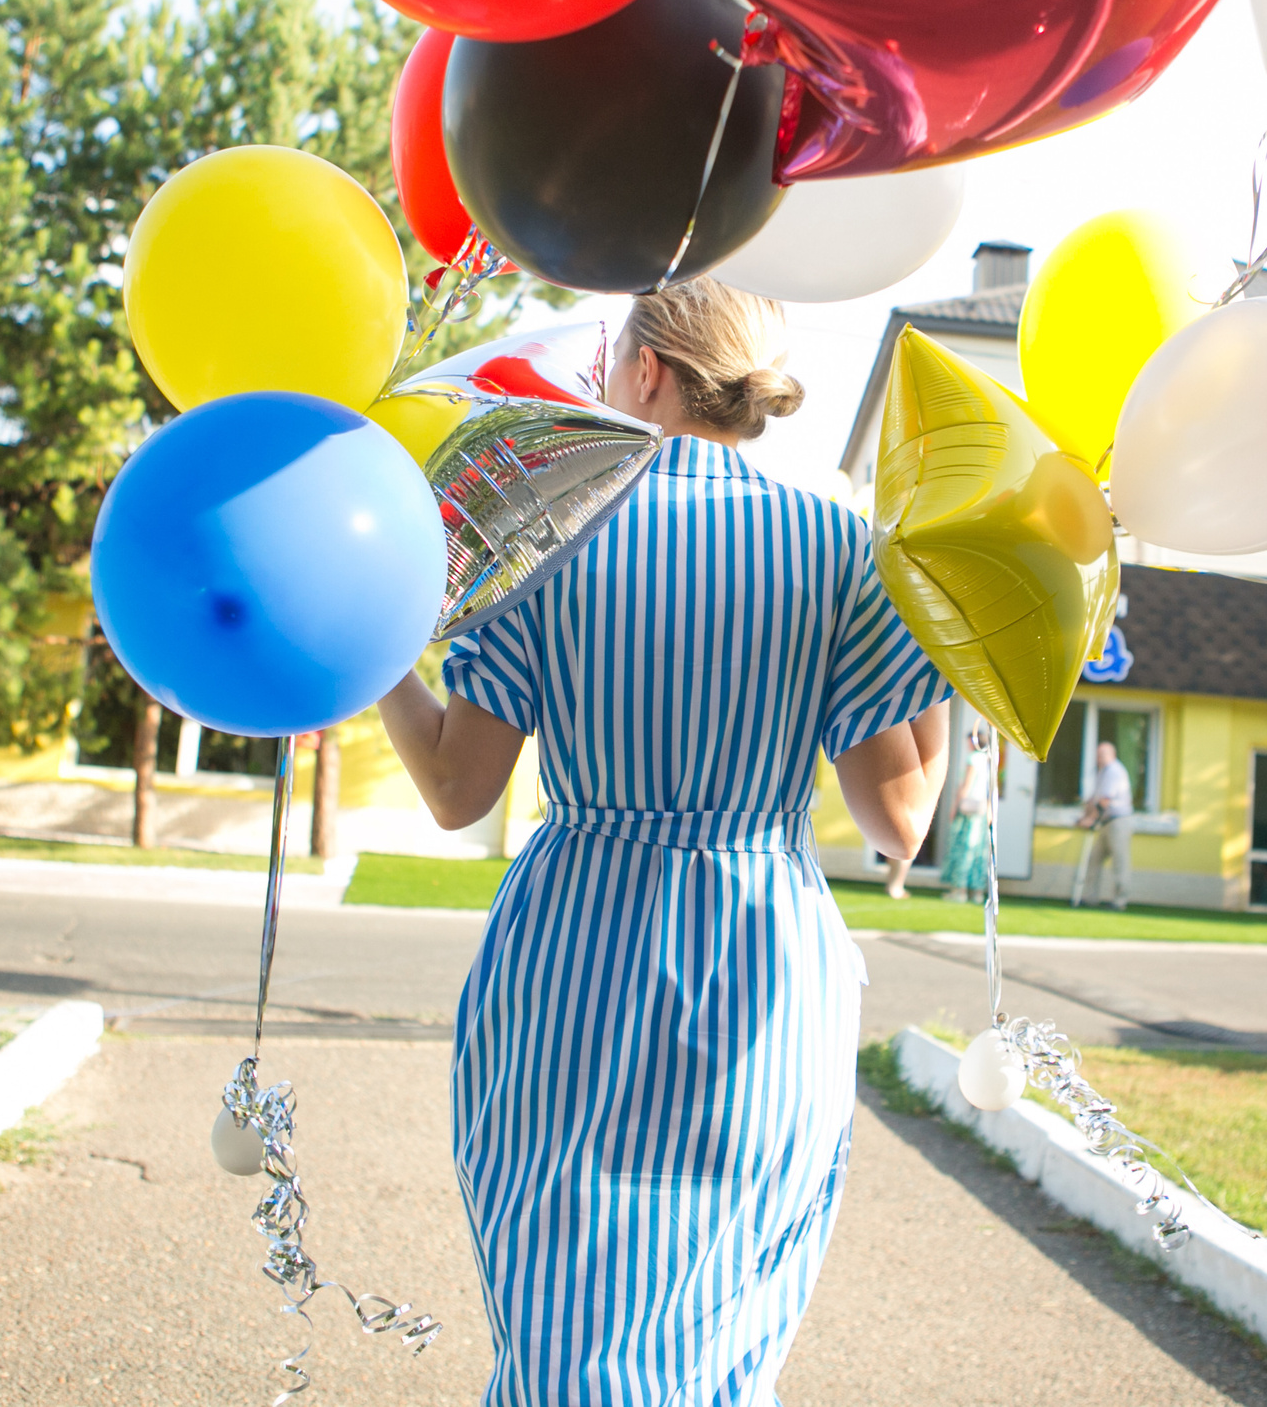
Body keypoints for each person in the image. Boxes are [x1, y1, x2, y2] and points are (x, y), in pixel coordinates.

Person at [376, 280, 951, 1404]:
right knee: (721, 1334)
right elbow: (900, 822)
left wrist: (372, 653)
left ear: (650, 373)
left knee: (564, 1326)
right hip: (768, 968)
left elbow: (457, 791)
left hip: (574, 958)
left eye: (607, 360)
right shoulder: (846, 548)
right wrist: (941, 646)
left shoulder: (547, 520)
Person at [940, 722, 996, 903]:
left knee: (963, 849)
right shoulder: (990, 759)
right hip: (981, 810)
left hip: (968, 811)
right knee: (978, 851)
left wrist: (954, 806)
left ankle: (959, 890)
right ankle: (977, 893)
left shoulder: (973, 759)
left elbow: (966, 786)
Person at [1077, 739, 1135, 911]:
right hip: (1105, 822)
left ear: (1111, 754)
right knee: (1093, 860)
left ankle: (1120, 901)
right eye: (1097, 755)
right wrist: (1084, 816)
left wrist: (1091, 819)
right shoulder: (1102, 773)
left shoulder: (1115, 771)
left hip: (1119, 822)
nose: (1098, 758)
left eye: (1101, 755)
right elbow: (1094, 799)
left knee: (1120, 862)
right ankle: (1090, 898)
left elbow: (1104, 801)